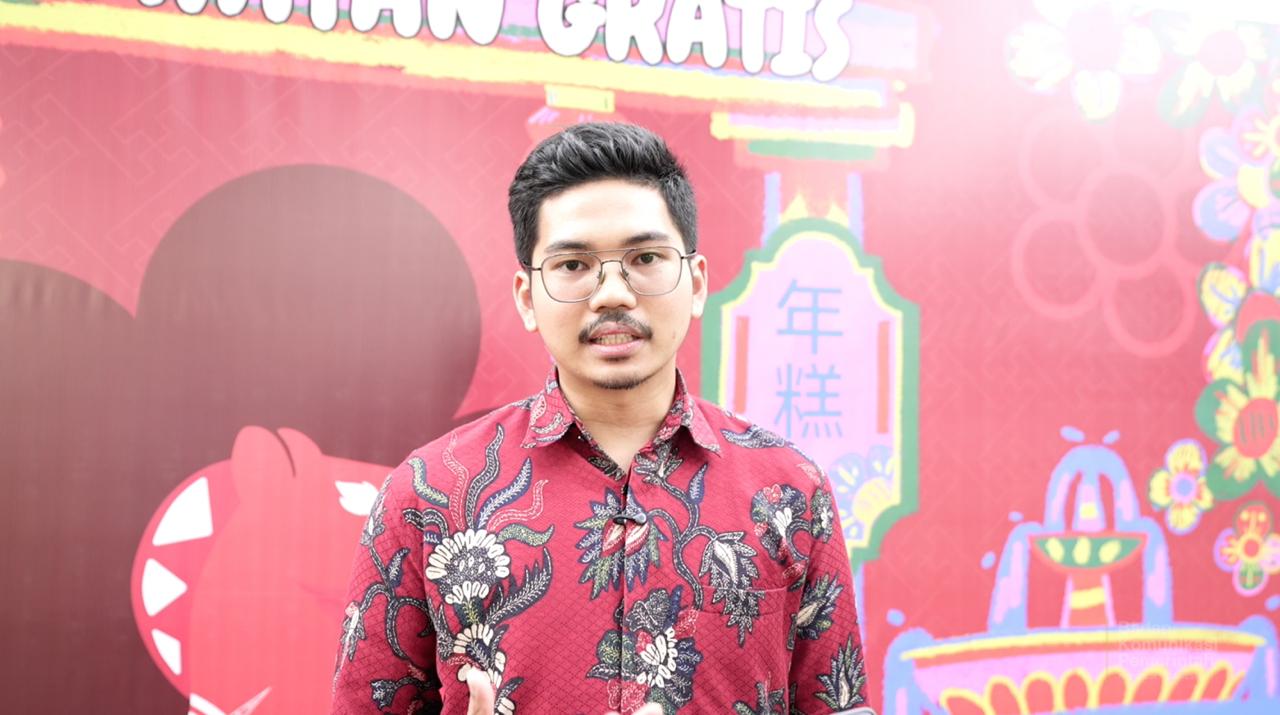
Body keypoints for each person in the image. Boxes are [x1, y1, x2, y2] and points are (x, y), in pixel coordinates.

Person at [330, 122, 871, 714]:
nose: (612, 293)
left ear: (695, 283)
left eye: (645, 258)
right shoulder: (428, 493)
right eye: (573, 265)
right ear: (526, 297)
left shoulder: (790, 490)